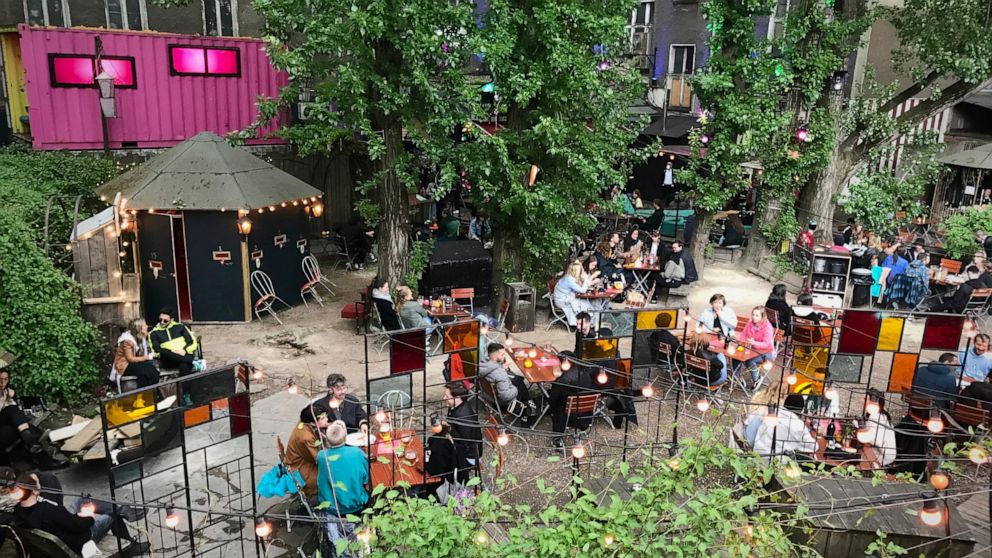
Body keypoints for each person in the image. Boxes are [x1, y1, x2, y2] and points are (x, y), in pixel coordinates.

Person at [12, 471, 145, 556]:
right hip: (79, 541)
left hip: (62, 534)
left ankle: (125, 512)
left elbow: (65, 520)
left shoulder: (18, 512)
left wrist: (77, 517)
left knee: (79, 499)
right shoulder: (50, 510)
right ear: (35, 491)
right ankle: (130, 547)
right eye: (38, 483)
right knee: (112, 514)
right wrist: (89, 517)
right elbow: (79, 527)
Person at [316, 421, 369, 557]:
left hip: (332, 507)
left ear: (327, 439)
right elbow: (366, 479)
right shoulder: (357, 453)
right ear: (345, 437)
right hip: (355, 505)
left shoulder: (322, 456)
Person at [0, 369, 66, 470]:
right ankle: (41, 455)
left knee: (23, 427)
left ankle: (39, 453)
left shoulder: (9, 389)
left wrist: (11, 398)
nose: (3, 383)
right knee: (13, 412)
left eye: (5, 379)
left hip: (8, 427)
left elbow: (18, 410)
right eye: (0, 380)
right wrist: (3, 401)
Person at [478, 344, 535, 423]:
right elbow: (505, 396)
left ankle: (529, 402)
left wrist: (501, 367)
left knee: (518, 380)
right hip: (503, 404)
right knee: (520, 386)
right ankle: (528, 410)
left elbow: (495, 373)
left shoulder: (483, 365)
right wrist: (515, 389)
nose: (504, 356)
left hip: (489, 397)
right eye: (502, 354)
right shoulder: (500, 374)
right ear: (496, 355)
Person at [547, 352, 594, 449]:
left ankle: (557, 440)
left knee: (558, 407)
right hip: (586, 417)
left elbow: (552, 401)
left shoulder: (562, 382)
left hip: (569, 419)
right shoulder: (586, 374)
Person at [285, 401, 331, 497]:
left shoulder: (304, 423)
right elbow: (319, 459)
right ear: (312, 422)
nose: (327, 419)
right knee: (333, 474)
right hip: (300, 469)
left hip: (301, 460)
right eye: (323, 418)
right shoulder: (306, 438)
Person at [752, 394, 816, 464]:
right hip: (775, 463)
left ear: (785, 403)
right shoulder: (798, 425)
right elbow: (813, 447)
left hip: (757, 456)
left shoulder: (772, 412)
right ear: (801, 410)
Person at [444, 383, 482, 478]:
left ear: (457, 398)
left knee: (440, 459)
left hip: (469, 456)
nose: (444, 398)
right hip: (463, 447)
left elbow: (464, 442)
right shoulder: (455, 407)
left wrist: (448, 429)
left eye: (447, 396)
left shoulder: (464, 417)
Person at [149, 307, 202, 376]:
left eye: (165, 321)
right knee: (163, 351)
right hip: (169, 360)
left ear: (171, 320)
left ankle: (184, 387)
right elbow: (157, 351)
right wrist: (172, 352)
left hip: (184, 355)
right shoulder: (153, 333)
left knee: (184, 365)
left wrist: (184, 351)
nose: (162, 322)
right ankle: (193, 362)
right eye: (160, 319)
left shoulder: (180, 327)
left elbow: (192, 342)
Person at [112, 318, 160, 389]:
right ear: (139, 329)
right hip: (125, 366)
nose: (147, 326)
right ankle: (141, 395)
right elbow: (130, 359)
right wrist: (148, 357)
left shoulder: (138, 337)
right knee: (146, 370)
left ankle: (147, 394)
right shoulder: (127, 340)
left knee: (150, 370)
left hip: (133, 363)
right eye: (144, 325)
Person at [858, 389, 897, 467]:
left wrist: (861, 428)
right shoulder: (881, 414)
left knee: (864, 446)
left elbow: (872, 438)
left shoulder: (877, 416)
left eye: (866, 399)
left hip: (883, 454)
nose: (862, 401)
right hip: (884, 451)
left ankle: (871, 467)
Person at [738, 307, 776, 383]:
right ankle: (737, 377)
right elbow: (743, 335)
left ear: (762, 317)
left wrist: (754, 343)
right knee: (736, 357)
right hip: (751, 349)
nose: (754, 317)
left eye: (757, 315)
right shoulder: (750, 323)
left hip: (766, 353)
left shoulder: (768, 328)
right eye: (753, 314)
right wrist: (742, 343)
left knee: (750, 361)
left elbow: (766, 344)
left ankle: (756, 379)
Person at [553, 262, 594, 327]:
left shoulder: (568, 277)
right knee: (582, 303)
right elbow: (582, 290)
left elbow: (578, 288)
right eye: (580, 271)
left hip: (561, 299)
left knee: (582, 302)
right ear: (576, 271)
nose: (581, 272)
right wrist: (586, 280)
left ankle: (584, 321)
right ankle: (584, 322)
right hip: (561, 302)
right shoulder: (569, 280)